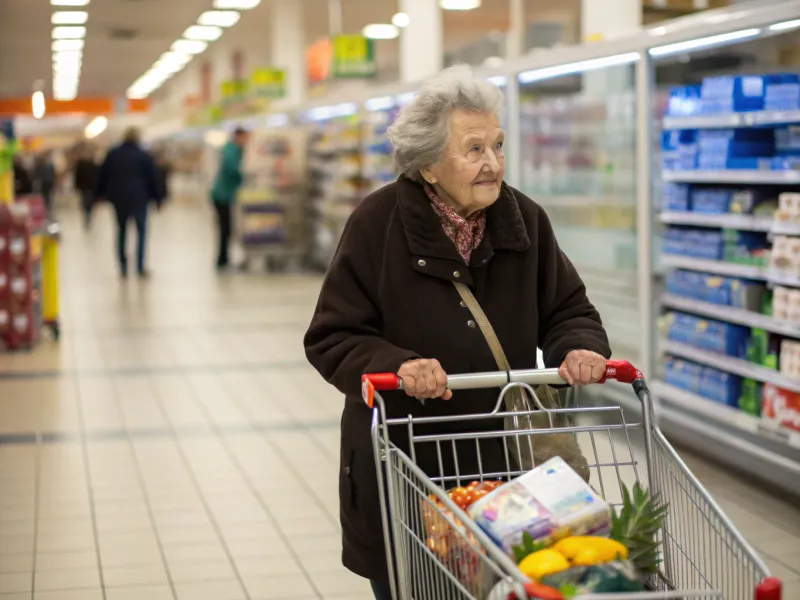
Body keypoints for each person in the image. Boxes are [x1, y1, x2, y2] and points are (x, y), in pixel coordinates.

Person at [303, 65, 611, 600]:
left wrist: (578, 346)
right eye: (473, 150)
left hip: (503, 469)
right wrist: (397, 364)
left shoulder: (525, 221)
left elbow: (568, 307)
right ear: (427, 164)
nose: (492, 163)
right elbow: (333, 334)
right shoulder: (376, 226)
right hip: (404, 468)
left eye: (497, 144)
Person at [96, 127, 162, 279]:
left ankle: (123, 266)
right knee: (141, 232)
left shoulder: (113, 154)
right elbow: (152, 179)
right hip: (140, 198)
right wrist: (157, 199)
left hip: (119, 199)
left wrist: (99, 194)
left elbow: (103, 175)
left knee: (121, 231)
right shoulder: (143, 156)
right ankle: (139, 266)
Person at [210, 127, 249, 270]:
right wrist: (245, 178)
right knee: (225, 228)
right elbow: (233, 170)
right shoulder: (230, 150)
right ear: (238, 136)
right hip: (222, 195)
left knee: (225, 229)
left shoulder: (230, 149)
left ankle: (224, 258)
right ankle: (222, 260)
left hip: (224, 194)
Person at [73, 147, 99, 230]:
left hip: (90, 186)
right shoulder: (82, 164)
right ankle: (87, 215)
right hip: (85, 186)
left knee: (88, 202)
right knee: (86, 202)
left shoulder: (93, 165)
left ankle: (88, 215)